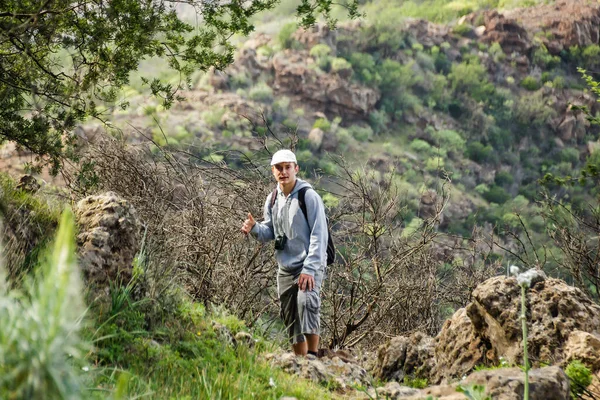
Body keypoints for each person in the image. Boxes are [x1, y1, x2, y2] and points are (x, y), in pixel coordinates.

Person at [241, 149, 328, 357]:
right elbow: (270, 231)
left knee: (307, 303)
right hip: (285, 268)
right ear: (273, 171)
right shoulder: (272, 199)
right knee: (289, 317)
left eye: (287, 167)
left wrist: (309, 269)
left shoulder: (309, 196)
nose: (283, 172)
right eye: (279, 168)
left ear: (296, 169)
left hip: (308, 265)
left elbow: (319, 235)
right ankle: (300, 364)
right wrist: (254, 228)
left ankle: (313, 357)